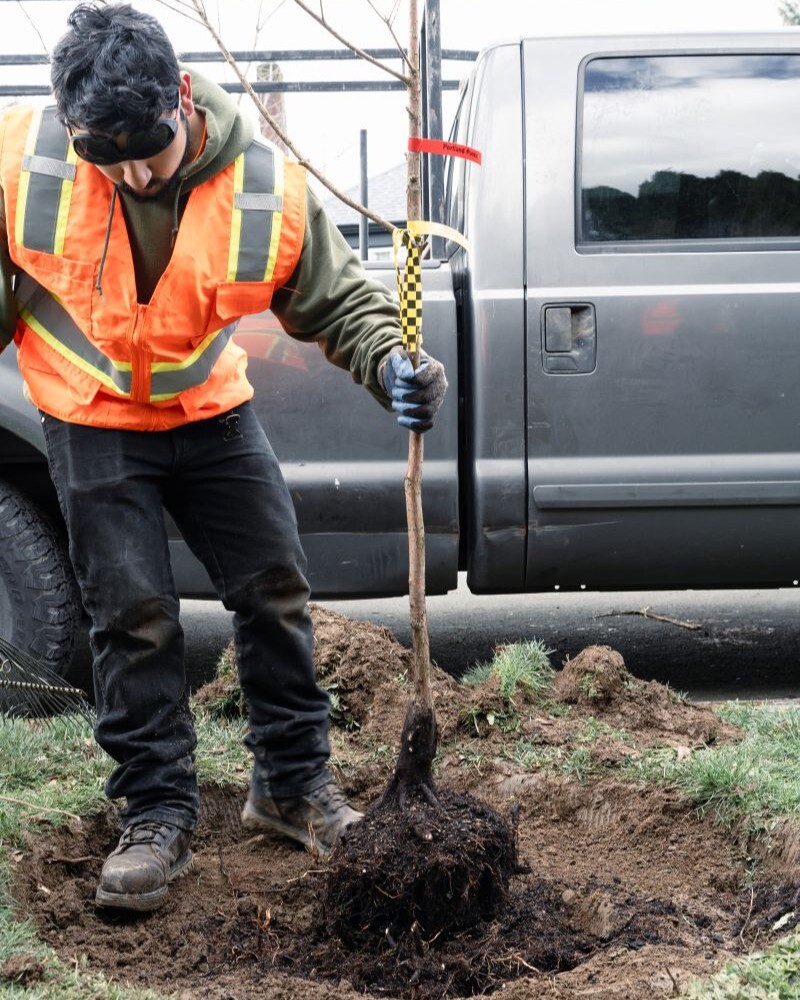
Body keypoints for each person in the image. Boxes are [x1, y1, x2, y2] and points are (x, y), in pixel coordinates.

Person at [0, 2, 447, 913]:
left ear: (180, 98)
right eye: (105, 155)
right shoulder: (23, 160)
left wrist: (393, 362)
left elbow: (337, 299)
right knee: (133, 615)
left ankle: (291, 785)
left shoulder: (263, 184)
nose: (133, 173)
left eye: (149, 150)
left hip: (209, 411)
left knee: (274, 587)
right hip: (90, 413)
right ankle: (155, 812)